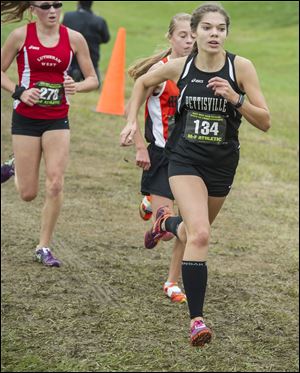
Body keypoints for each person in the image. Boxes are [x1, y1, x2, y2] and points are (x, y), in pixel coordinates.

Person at [120, 3, 271, 347]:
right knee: (201, 235)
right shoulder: (180, 67)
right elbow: (143, 81)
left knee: (189, 231)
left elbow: (265, 121)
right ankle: (196, 321)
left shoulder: (241, 67)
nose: (213, 34)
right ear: (196, 33)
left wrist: (236, 98)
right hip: (185, 161)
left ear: (226, 33)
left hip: (221, 165)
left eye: (220, 28)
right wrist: (131, 122)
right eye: (207, 28)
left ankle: (166, 224)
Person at [1, 1, 99, 267]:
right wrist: (20, 91)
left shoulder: (74, 38)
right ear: (33, 9)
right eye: (45, 6)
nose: (53, 10)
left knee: (55, 182)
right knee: (28, 194)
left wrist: (75, 85)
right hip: (26, 119)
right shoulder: (21, 36)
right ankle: (15, 167)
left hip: (57, 118)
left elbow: (93, 79)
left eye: (57, 4)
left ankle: (43, 246)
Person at [126, 13, 195, 304]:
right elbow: (133, 102)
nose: (189, 40)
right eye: (183, 35)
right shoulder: (160, 72)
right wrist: (140, 145)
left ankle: (172, 282)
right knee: (168, 231)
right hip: (162, 154)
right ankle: (150, 204)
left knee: (189, 222)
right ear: (171, 37)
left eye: (193, 35)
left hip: (192, 156)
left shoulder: (201, 71)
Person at [62, 1, 110, 86]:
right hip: (92, 57)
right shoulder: (99, 20)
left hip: (71, 57)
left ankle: (74, 74)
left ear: (78, 3)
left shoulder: (68, 16)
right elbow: (106, 39)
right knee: (93, 78)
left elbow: (62, 33)